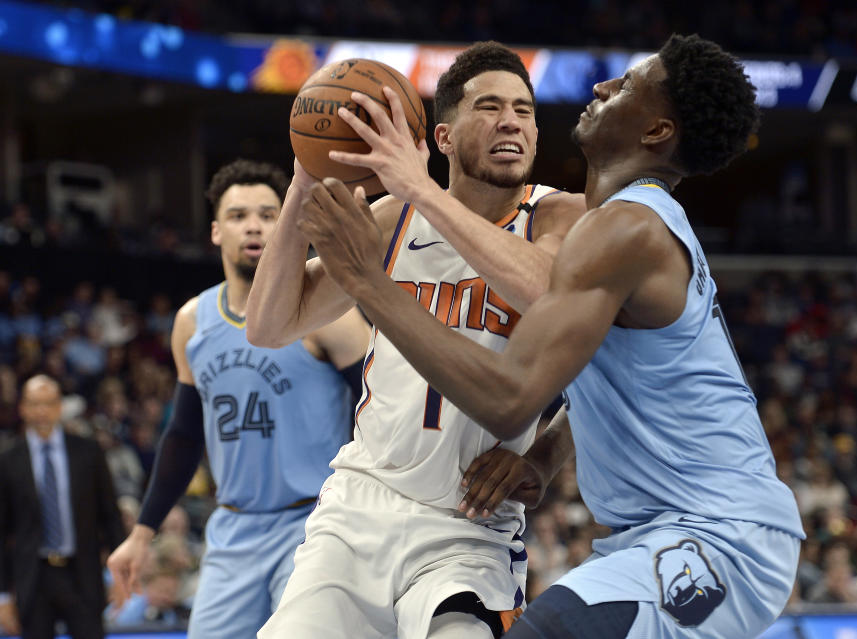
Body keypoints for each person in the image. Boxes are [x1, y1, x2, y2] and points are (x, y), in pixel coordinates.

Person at [300, 34, 804, 638]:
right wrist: (543, 457)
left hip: (718, 535)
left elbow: (508, 398)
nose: (601, 87)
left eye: (626, 88)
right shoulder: (622, 225)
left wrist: (369, 281)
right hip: (651, 537)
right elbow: (610, 373)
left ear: (654, 133)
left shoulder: (627, 228)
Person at [248, 42, 585, 639]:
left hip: (468, 527)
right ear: (445, 137)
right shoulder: (394, 219)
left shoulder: (560, 217)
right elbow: (270, 325)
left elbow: (547, 290)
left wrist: (544, 455)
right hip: (360, 507)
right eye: (489, 107)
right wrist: (305, 177)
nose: (511, 121)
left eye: (524, 110)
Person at [106, 159, 370, 638]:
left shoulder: (328, 312)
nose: (254, 225)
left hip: (315, 524)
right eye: (238, 215)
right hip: (233, 530)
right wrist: (141, 533)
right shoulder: (192, 321)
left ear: (290, 223)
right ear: (214, 232)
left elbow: (380, 410)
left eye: (269, 214)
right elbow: (184, 436)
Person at [0, 375, 125, 639]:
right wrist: (2, 595)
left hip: (82, 574)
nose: (41, 411)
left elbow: (111, 517)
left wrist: (119, 576)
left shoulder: (89, 452)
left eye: (48, 403)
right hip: (33, 579)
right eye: (34, 404)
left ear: (60, 407)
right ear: (22, 408)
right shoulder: (8, 459)